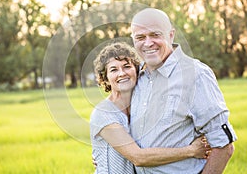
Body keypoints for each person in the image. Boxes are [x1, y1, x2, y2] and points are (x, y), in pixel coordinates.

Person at [129, 8, 237, 174]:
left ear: (171, 35)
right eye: (140, 37)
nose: (148, 43)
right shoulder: (135, 77)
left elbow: (224, 146)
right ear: (133, 40)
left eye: (155, 35)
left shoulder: (196, 75)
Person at [90, 41, 211, 174]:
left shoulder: (140, 104)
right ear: (105, 78)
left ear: (136, 71)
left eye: (126, 66)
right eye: (114, 70)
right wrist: (191, 150)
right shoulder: (104, 113)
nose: (122, 73)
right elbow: (138, 157)